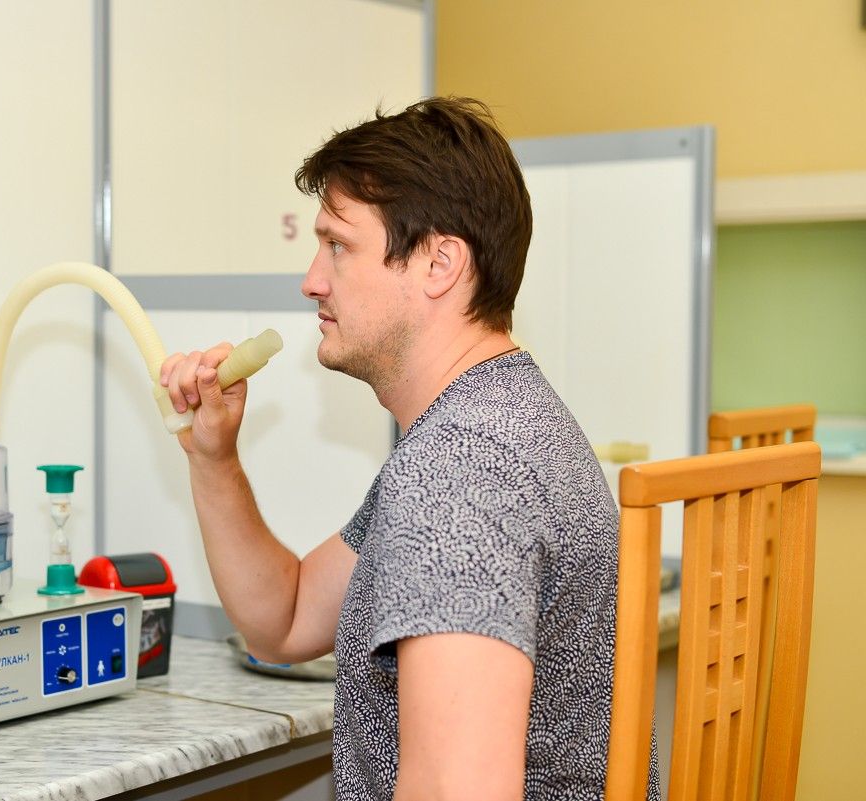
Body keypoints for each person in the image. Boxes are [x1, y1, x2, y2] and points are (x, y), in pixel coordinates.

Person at [158, 97, 656, 801]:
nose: (312, 280)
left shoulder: (461, 472)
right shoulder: (495, 417)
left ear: (439, 263)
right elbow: (287, 619)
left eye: (338, 245)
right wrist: (213, 458)